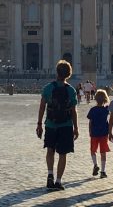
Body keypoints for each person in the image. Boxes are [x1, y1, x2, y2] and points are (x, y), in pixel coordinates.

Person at [36, 60, 78, 191]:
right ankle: (58, 181)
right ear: (69, 74)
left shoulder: (48, 88)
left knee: (50, 150)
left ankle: (50, 175)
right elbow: (73, 111)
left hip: (50, 124)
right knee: (63, 154)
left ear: (56, 72)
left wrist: (39, 124)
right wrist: (76, 127)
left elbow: (42, 107)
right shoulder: (71, 90)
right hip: (66, 125)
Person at [87, 89, 110, 178]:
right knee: (103, 152)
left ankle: (95, 164)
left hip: (94, 133)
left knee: (93, 150)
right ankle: (103, 171)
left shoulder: (92, 109)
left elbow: (90, 122)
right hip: (104, 133)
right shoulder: (106, 110)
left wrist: (90, 131)